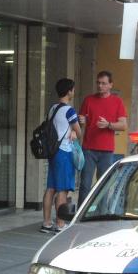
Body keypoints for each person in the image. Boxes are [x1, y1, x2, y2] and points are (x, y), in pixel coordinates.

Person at [78, 71, 127, 206]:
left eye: (104, 83)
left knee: (103, 185)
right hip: (88, 149)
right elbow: (81, 122)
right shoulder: (88, 100)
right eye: (98, 83)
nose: (100, 86)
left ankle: (101, 214)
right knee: (85, 184)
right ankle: (80, 215)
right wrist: (81, 120)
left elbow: (123, 125)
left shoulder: (117, 101)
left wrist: (108, 125)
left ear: (111, 85)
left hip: (106, 150)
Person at [40, 78, 81, 233]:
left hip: (53, 152)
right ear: (69, 91)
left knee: (50, 188)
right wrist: (74, 131)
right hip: (64, 152)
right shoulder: (69, 111)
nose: (73, 92)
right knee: (62, 190)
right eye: (73, 89)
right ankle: (60, 224)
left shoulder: (52, 108)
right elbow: (79, 132)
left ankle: (46, 223)